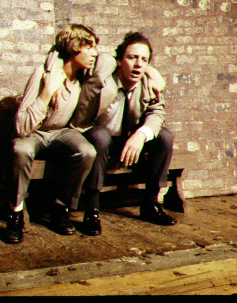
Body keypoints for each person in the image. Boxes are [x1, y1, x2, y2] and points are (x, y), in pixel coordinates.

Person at [70, 32, 175, 236]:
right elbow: (101, 60)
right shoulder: (103, 78)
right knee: (100, 136)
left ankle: (151, 204)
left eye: (143, 60)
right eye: (132, 57)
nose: (138, 65)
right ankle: (92, 211)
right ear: (119, 61)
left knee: (164, 137)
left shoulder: (148, 83)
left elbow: (157, 113)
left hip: (128, 141)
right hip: (98, 138)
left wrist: (141, 135)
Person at [7, 24, 98, 244]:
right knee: (20, 148)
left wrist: (150, 73)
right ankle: (15, 214)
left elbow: (111, 63)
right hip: (35, 133)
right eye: (89, 47)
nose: (94, 53)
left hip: (60, 133)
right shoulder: (43, 74)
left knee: (87, 151)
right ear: (74, 47)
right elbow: (22, 127)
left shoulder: (82, 76)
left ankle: (60, 209)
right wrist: (48, 92)